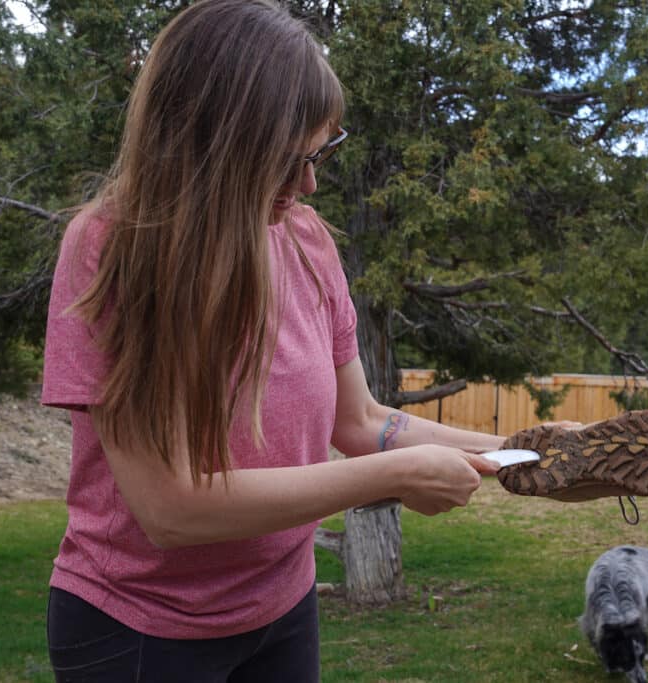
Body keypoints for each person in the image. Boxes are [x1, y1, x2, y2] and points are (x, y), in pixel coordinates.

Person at [40, 2, 508, 680]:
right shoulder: (113, 249)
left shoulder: (307, 240)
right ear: (214, 140)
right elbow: (170, 508)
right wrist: (394, 477)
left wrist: (531, 455)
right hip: (138, 629)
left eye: (321, 154)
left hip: (282, 612)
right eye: (290, 160)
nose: (310, 183)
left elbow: (362, 421)